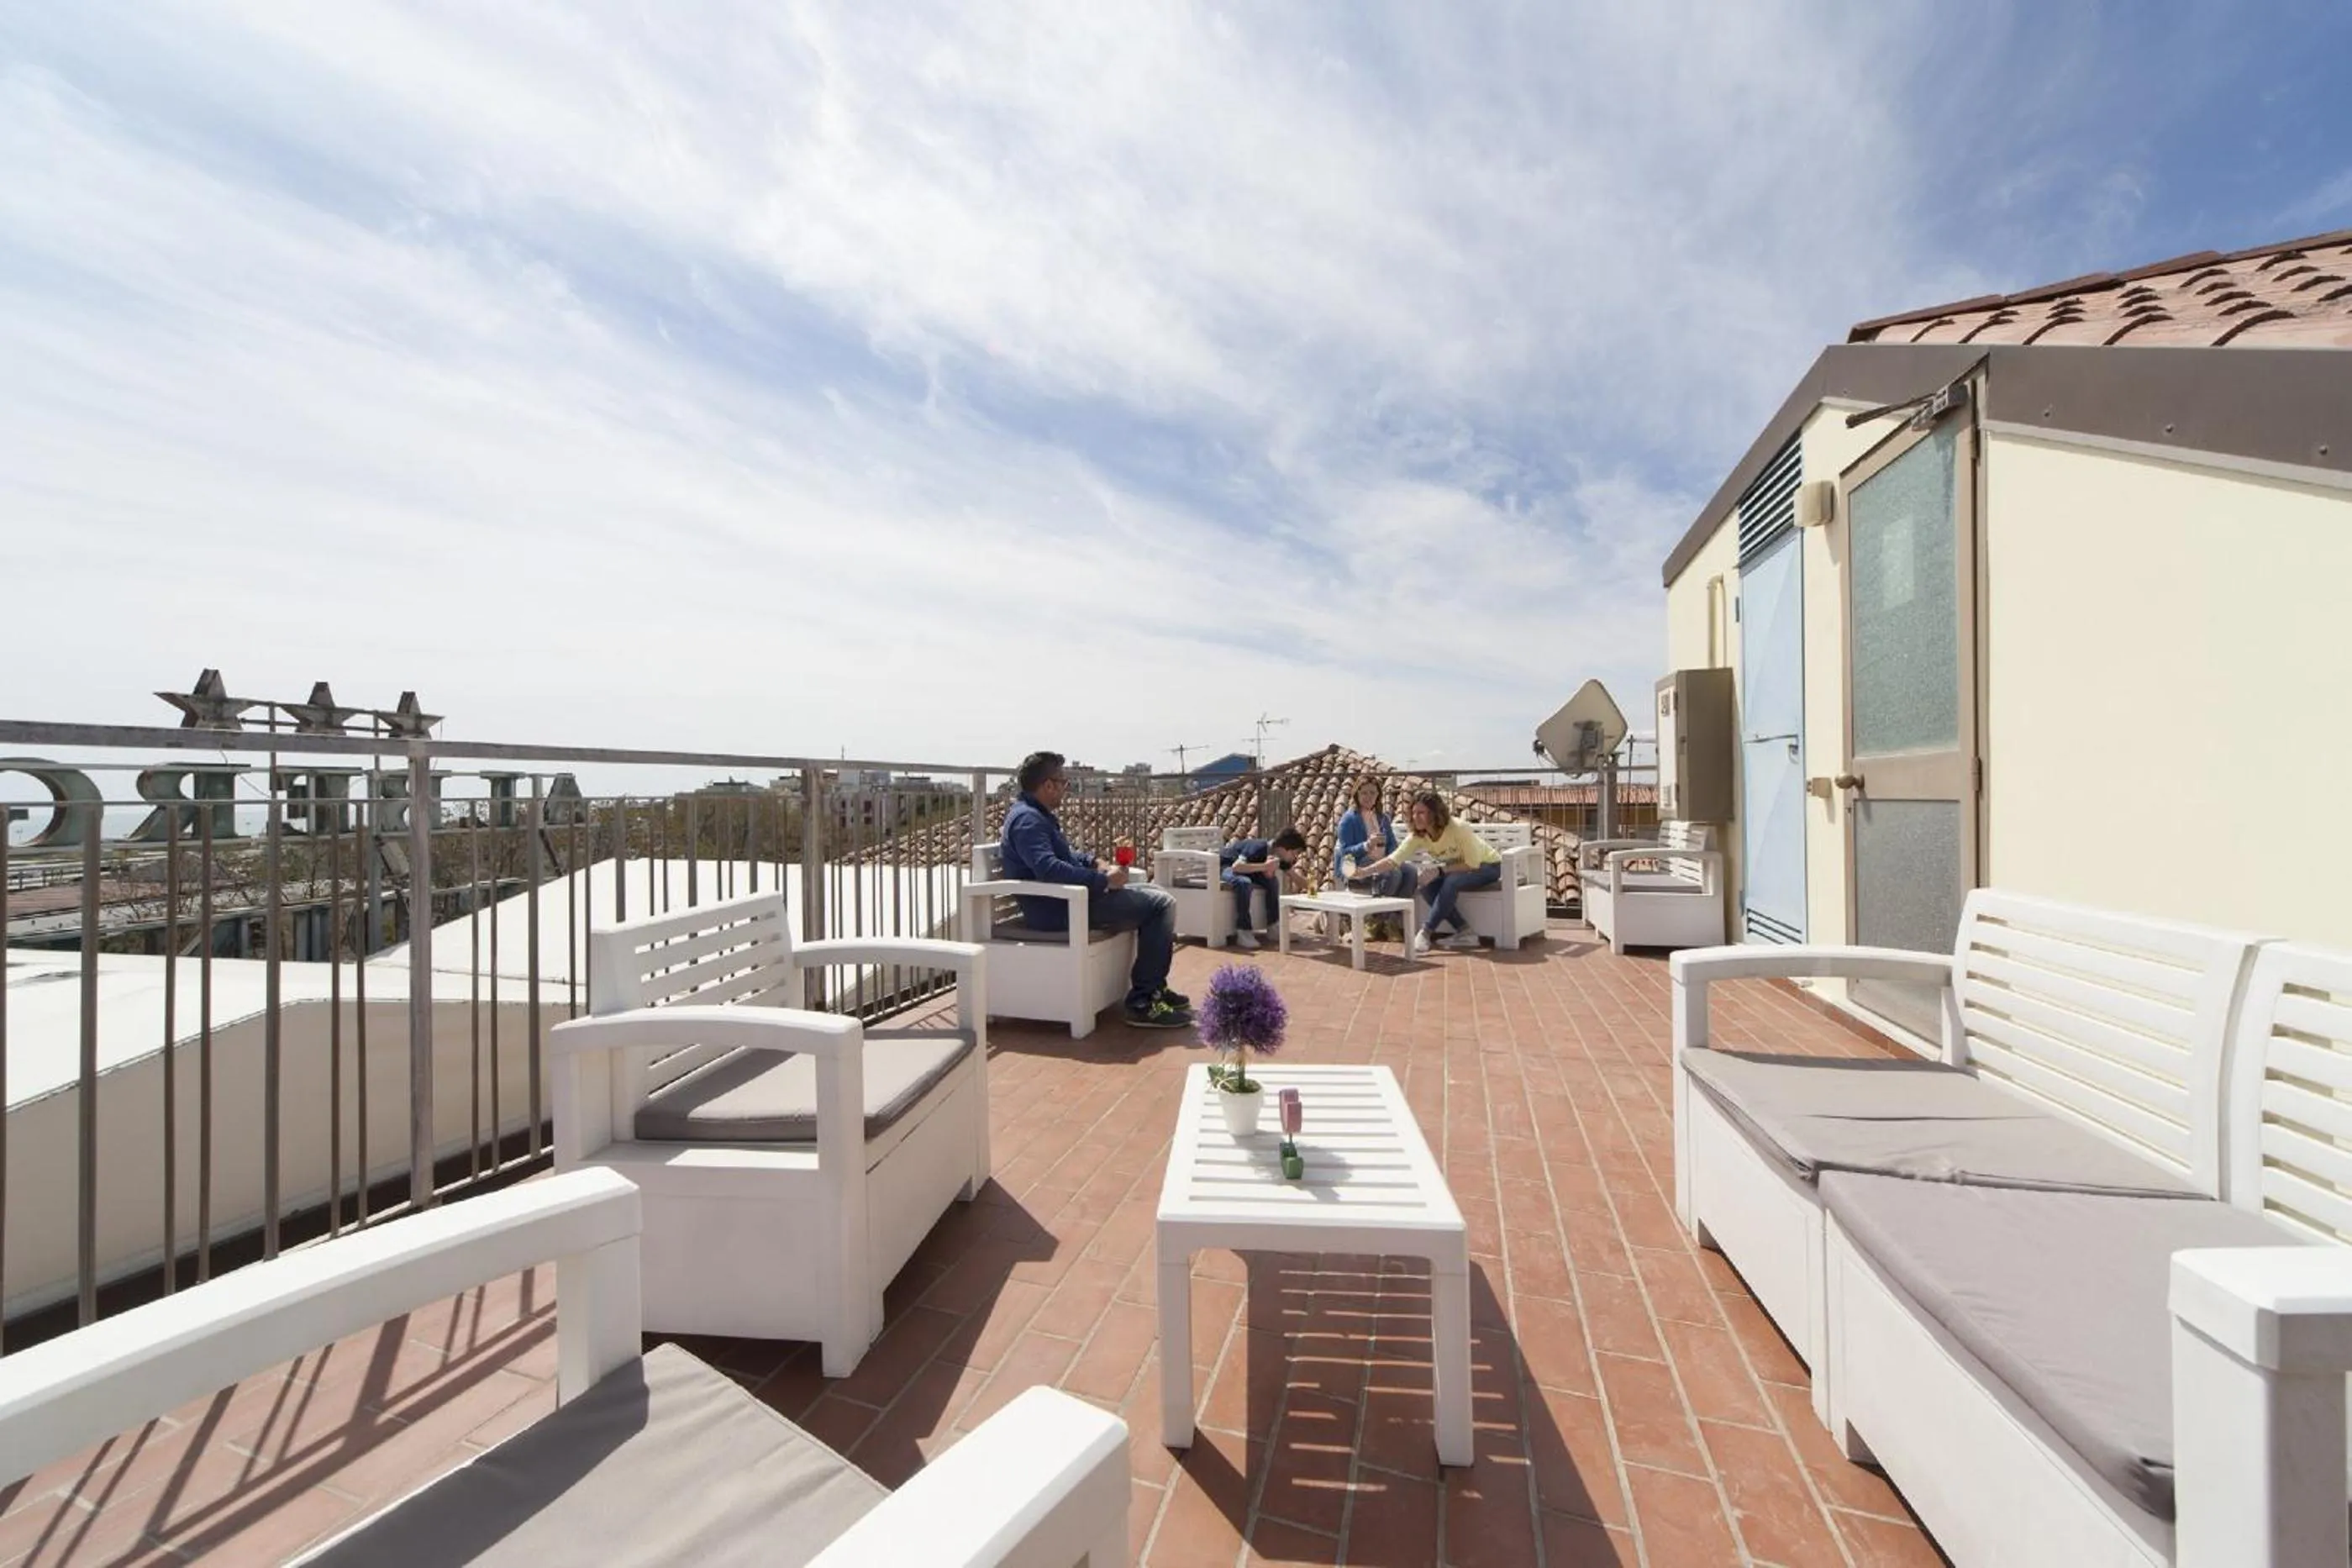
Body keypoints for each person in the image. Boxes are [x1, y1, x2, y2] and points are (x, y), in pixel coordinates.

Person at [1000, 751, 1192, 1028]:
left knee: (1156, 895)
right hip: (1059, 909)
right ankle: (1143, 1002)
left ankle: (1154, 989)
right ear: (1047, 785)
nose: (1067, 789)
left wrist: (1095, 862)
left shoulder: (1036, 815)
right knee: (1161, 904)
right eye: (1064, 783)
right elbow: (1049, 868)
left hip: (1070, 902)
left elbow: (1064, 855)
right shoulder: (1028, 821)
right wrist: (1104, 882)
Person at [1352, 791, 1501, 956]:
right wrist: (1364, 872)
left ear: (1435, 813)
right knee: (1425, 885)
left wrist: (1438, 870)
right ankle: (1465, 932)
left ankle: (1425, 932)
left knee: (1451, 882)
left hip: (1488, 866)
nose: (1416, 817)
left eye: (1421, 813)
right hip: (1456, 869)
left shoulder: (1458, 828)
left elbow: (1472, 863)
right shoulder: (1419, 834)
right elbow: (1393, 860)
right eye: (1414, 813)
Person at [1218, 828, 1308, 950]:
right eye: (1294, 853)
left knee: (1272, 882)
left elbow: (1296, 878)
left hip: (1246, 870)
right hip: (1225, 865)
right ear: (1284, 849)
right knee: (1243, 882)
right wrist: (1265, 866)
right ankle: (1243, 931)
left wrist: (1314, 888)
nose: (1295, 858)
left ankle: (1273, 927)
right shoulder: (1258, 847)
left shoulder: (1280, 858)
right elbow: (1237, 867)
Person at [1334, 776, 1418, 900]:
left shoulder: (1382, 818)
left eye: (1372, 793)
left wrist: (1393, 859)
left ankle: (1395, 914)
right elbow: (1346, 852)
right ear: (1357, 795)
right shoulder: (1349, 819)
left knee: (1410, 872)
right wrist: (1366, 846)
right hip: (1358, 863)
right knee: (1393, 874)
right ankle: (1380, 914)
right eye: (1364, 793)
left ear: (1378, 795)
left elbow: (1392, 844)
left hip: (1381, 860)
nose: (1369, 797)